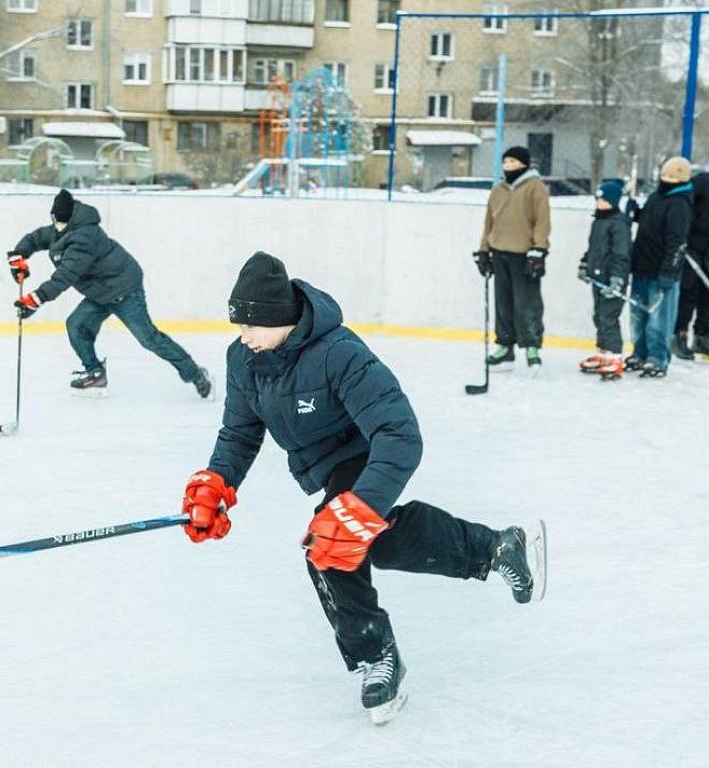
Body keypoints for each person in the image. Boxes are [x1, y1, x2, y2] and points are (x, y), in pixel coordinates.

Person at [179, 252, 547, 725]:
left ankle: (378, 657)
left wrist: (361, 507)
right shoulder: (244, 360)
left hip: (367, 455)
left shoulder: (339, 352)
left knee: (329, 547)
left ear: (280, 317)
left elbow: (399, 433)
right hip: (328, 468)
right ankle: (496, 548)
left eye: (250, 324)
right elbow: (239, 432)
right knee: (374, 540)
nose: (242, 335)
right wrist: (216, 483)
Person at [6, 189, 212, 397]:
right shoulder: (62, 228)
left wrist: (35, 299)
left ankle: (195, 374)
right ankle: (95, 372)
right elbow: (36, 238)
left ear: (70, 218)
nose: (57, 226)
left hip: (124, 290)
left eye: (60, 221)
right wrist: (18, 256)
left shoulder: (85, 237)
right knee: (76, 325)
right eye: (55, 221)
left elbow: (65, 275)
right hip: (100, 292)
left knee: (149, 339)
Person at [473, 146, 552, 369]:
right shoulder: (498, 189)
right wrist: (483, 250)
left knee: (527, 303)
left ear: (523, 164)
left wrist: (539, 250)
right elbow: (489, 222)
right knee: (503, 302)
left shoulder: (535, 187)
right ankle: (505, 345)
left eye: (512, 161)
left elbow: (542, 221)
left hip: (524, 254)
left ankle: (531, 346)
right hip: (499, 252)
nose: (507, 165)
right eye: (505, 162)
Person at [625, 156, 694, 378]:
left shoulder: (680, 205)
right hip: (642, 267)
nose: (665, 182)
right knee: (638, 316)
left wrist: (668, 272)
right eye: (664, 177)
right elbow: (649, 222)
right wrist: (636, 213)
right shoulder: (656, 197)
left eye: (670, 179)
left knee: (659, 319)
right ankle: (640, 353)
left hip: (661, 272)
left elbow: (677, 242)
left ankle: (657, 358)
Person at [577, 180, 632, 379]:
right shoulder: (599, 221)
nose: (599, 203)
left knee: (609, 318)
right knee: (599, 316)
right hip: (598, 278)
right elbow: (593, 249)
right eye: (597, 199)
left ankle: (615, 356)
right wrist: (585, 264)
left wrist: (618, 279)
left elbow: (622, 255)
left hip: (612, 280)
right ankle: (603, 353)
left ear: (614, 201)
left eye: (604, 200)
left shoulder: (619, 224)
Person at [672, 169, 709, 359]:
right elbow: (682, 205)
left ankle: (702, 336)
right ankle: (679, 335)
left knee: (707, 294)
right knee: (688, 292)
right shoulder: (701, 182)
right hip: (692, 247)